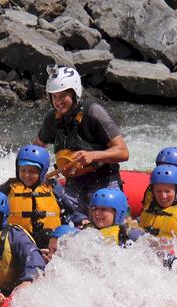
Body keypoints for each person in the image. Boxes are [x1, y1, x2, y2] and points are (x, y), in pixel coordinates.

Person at [34, 65, 129, 217]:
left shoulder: (94, 112)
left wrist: (94, 156)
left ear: (74, 93)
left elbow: (123, 152)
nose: (58, 102)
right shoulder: (52, 118)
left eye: (63, 95)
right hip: (74, 183)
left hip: (104, 181)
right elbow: (36, 149)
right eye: (54, 96)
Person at [0, 144, 86, 248]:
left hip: (47, 242)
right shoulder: (8, 188)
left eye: (32, 171)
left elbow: (69, 213)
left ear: (42, 171)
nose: (26, 175)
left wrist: (81, 219)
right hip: (17, 242)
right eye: (23, 170)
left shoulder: (53, 187)